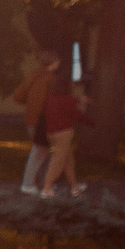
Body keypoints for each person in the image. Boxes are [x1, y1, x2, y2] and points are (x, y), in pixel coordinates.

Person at [12, 52, 62, 195]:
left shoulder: (32, 76)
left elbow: (18, 96)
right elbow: (44, 102)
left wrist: (29, 105)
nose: (59, 64)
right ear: (53, 62)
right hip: (41, 120)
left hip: (31, 119)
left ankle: (45, 184)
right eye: (57, 61)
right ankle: (28, 184)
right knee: (39, 151)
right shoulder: (49, 79)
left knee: (43, 152)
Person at [37, 70, 90, 198]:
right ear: (66, 85)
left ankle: (74, 188)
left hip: (52, 133)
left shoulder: (51, 98)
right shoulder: (65, 99)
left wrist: (78, 100)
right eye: (71, 83)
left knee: (68, 161)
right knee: (58, 161)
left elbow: (69, 103)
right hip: (63, 134)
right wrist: (84, 108)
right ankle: (46, 189)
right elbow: (77, 114)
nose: (73, 85)